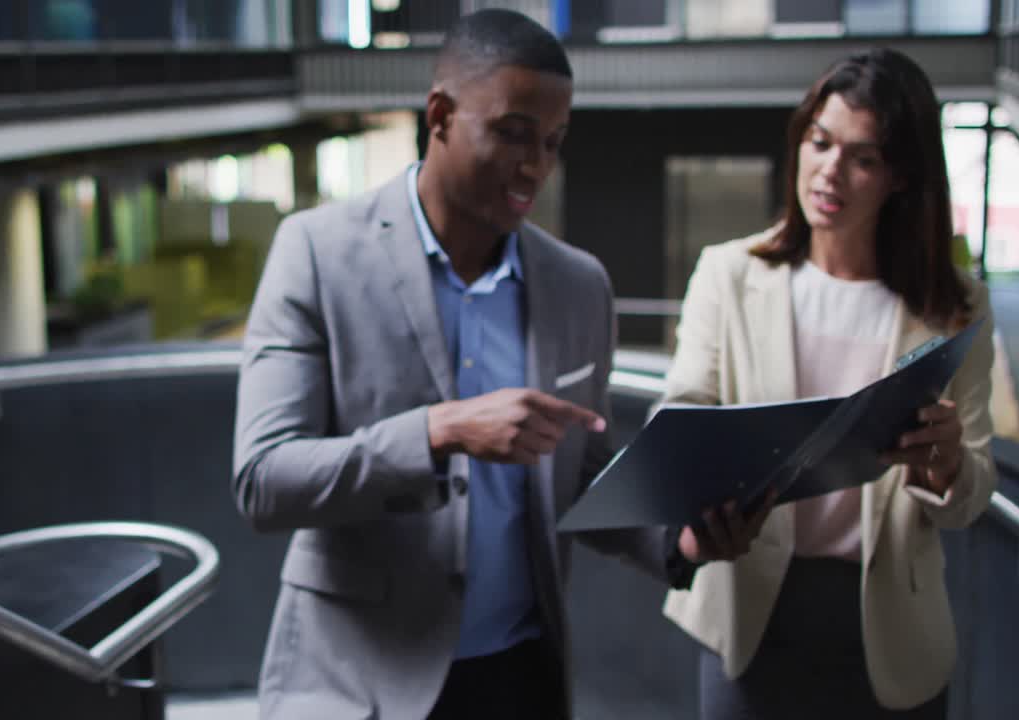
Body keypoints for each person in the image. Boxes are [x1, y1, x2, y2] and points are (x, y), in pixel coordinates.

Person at [233, 9, 766, 720]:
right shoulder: (315, 252)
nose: (536, 165)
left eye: (552, 141)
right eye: (514, 132)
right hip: (359, 679)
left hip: (520, 676)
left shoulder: (580, 285)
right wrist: (437, 432)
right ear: (440, 116)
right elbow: (265, 480)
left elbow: (578, 467)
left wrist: (680, 541)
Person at [661, 48, 997, 720]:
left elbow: (973, 491)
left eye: (863, 158)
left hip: (893, 631)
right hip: (747, 610)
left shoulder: (955, 305)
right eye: (819, 142)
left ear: (901, 176)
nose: (829, 171)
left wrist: (947, 466)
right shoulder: (729, 273)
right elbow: (683, 413)